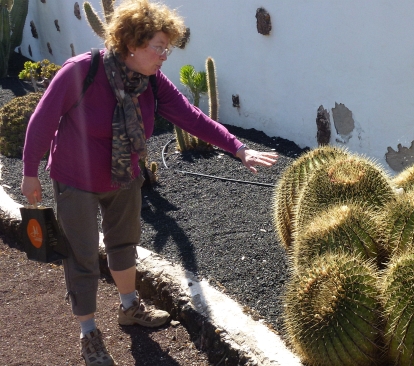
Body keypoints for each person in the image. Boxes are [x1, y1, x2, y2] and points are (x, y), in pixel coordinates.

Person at [20, 1, 278, 365]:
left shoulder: (151, 82)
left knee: (123, 243)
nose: (164, 56)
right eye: (158, 47)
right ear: (131, 44)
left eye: (167, 47)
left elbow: (191, 117)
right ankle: (89, 332)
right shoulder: (81, 72)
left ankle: (129, 307)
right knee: (81, 255)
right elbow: (42, 120)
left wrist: (238, 149)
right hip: (75, 178)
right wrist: (30, 170)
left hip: (124, 176)